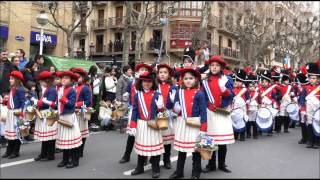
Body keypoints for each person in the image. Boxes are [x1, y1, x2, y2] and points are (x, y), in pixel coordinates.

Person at [169, 68, 207, 179]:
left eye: (191, 78)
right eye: (186, 78)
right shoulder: (179, 92)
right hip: (182, 123)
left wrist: (203, 129)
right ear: (182, 80)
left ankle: (196, 173)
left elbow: (203, 112)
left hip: (194, 124)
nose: (188, 80)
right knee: (182, 150)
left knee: (195, 150)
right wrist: (175, 108)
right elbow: (176, 110)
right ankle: (179, 172)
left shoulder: (199, 94)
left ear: (195, 80)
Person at [128, 71, 165, 178]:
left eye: (149, 81)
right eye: (144, 81)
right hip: (142, 124)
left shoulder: (157, 95)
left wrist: (161, 107)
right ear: (141, 82)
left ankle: (156, 168)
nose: (147, 83)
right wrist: (133, 125)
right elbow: (135, 111)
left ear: (153, 82)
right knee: (141, 147)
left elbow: (162, 113)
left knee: (155, 148)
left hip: (154, 124)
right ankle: (139, 167)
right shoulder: (137, 95)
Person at [201, 56, 234, 173]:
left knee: (222, 141)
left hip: (221, 111)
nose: (214, 67)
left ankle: (222, 163)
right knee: (210, 139)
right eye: (212, 65)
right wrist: (205, 108)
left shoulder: (227, 79)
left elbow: (231, 96)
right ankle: (210, 164)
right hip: (209, 111)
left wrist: (224, 89)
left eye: (217, 65)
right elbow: (202, 96)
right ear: (209, 67)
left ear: (221, 68)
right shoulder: (204, 81)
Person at [118, 63, 153, 164]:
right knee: (132, 135)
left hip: (146, 113)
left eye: (145, 70)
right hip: (134, 110)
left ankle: (145, 156)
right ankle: (126, 155)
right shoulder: (131, 82)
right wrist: (126, 96)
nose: (143, 71)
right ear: (137, 71)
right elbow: (128, 93)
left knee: (146, 135)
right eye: (141, 69)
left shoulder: (149, 83)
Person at [56, 70, 82, 168]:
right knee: (64, 139)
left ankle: (75, 161)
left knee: (72, 139)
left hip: (69, 116)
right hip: (62, 115)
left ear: (71, 81)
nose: (63, 80)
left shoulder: (71, 90)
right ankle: (65, 159)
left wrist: (63, 99)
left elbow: (71, 104)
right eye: (62, 78)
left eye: (66, 78)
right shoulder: (61, 89)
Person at [31, 71, 58, 161]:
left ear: (46, 81)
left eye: (41, 81)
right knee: (45, 136)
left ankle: (50, 155)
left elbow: (49, 103)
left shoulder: (52, 90)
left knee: (50, 137)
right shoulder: (46, 89)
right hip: (44, 113)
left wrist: (37, 102)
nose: (40, 83)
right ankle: (43, 153)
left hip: (49, 113)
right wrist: (37, 104)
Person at [156, 64, 177, 169]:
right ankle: (153, 159)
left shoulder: (173, 87)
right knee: (156, 139)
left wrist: (174, 102)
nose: (163, 74)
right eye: (161, 72)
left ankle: (166, 159)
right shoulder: (154, 86)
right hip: (156, 114)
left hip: (167, 114)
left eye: (165, 72)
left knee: (167, 141)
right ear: (158, 74)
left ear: (169, 75)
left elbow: (177, 104)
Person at [1, 71, 26, 159]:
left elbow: (23, 102)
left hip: (17, 113)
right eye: (10, 78)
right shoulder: (13, 88)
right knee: (10, 134)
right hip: (11, 112)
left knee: (16, 133)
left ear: (17, 80)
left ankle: (15, 151)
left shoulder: (20, 89)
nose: (10, 80)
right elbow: (12, 100)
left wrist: (22, 114)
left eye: (11, 79)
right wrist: (5, 102)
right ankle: (9, 150)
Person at [71, 67, 92, 158]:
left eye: (79, 77)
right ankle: (74, 151)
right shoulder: (73, 87)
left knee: (81, 133)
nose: (77, 79)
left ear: (83, 77)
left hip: (81, 112)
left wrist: (76, 104)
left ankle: (80, 152)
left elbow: (88, 101)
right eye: (75, 77)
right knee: (74, 133)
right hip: (73, 113)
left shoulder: (85, 88)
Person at [299, 62, 320, 149]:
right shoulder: (305, 88)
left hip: (318, 110)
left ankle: (317, 142)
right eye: (310, 78)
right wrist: (303, 109)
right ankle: (310, 141)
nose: (311, 80)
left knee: (318, 125)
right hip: (309, 109)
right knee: (310, 125)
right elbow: (302, 99)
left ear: (318, 79)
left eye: (314, 78)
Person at [257, 69, 280, 136]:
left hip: (269, 105)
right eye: (263, 82)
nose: (264, 83)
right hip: (262, 105)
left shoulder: (271, 90)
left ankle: (269, 130)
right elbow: (257, 97)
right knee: (260, 118)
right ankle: (260, 130)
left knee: (269, 118)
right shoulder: (259, 89)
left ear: (268, 82)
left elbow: (274, 98)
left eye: (265, 82)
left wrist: (271, 101)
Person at [232, 69, 250, 141]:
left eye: (240, 81)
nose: (238, 83)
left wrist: (248, 100)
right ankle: (235, 135)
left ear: (242, 82)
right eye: (237, 81)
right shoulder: (233, 89)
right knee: (235, 121)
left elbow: (248, 97)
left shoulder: (245, 90)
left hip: (242, 108)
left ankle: (242, 135)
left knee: (242, 121)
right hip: (234, 108)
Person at [278, 69, 295, 133]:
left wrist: (292, 95)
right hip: (282, 103)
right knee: (281, 116)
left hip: (288, 103)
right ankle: (279, 128)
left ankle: (286, 128)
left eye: (288, 80)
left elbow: (293, 94)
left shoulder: (290, 87)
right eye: (286, 80)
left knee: (287, 116)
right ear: (283, 81)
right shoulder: (280, 87)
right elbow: (279, 95)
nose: (287, 81)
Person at [245, 73, 260, 139]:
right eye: (250, 86)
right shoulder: (246, 93)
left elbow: (259, 101)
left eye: (253, 86)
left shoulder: (257, 93)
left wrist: (259, 107)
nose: (251, 87)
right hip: (248, 109)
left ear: (255, 87)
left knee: (254, 122)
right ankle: (248, 134)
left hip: (255, 109)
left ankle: (255, 134)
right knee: (248, 122)